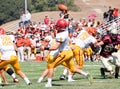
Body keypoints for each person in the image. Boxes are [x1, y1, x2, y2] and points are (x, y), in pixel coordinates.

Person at [40, 19, 93, 87]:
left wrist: (44, 48)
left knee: (51, 65)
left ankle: (49, 83)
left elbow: (56, 47)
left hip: (64, 53)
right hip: (69, 52)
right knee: (72, 68)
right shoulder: (65, 31)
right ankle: (86, 75)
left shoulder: (61, 35)